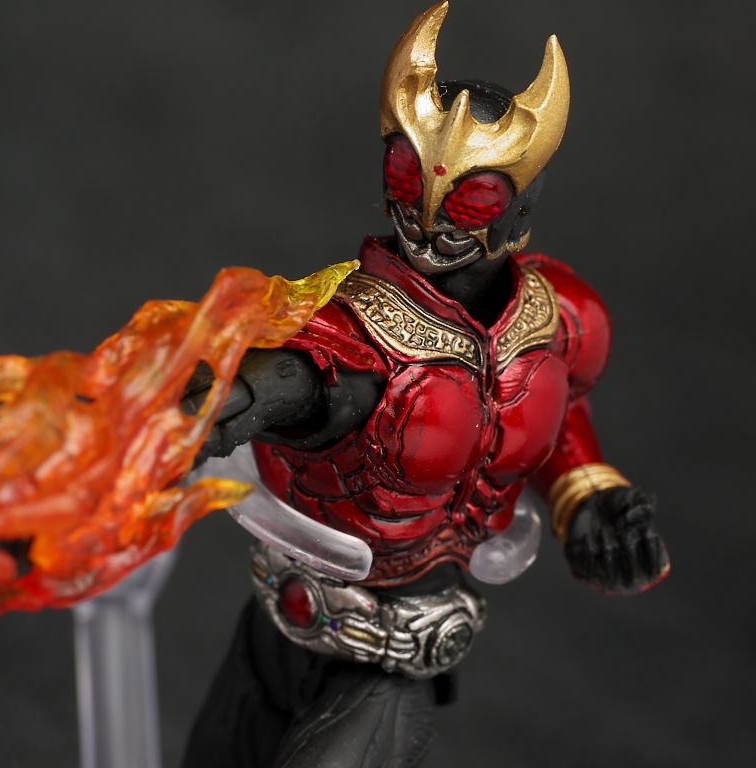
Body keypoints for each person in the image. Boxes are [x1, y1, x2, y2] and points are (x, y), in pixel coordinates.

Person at [181, 3, 669, 766]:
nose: (429, 215)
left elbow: (557, 410)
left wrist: (586, 494)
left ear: (521, 205)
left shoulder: (563, 320)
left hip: (396, 666)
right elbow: (288, 378)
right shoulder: (346, 333)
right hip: (282, 631)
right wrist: (196, 412)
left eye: (472, 200)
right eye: (406, 177)